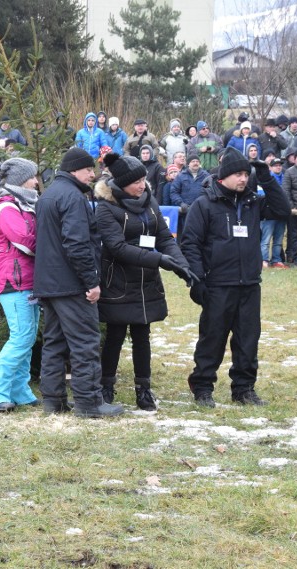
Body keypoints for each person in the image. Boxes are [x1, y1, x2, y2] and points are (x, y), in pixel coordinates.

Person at [181, 148, 291, 408]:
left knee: (247, 340)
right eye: (238, 174)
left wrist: (265, 177)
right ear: (224, 176)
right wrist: (197, 280)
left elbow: (282, 210)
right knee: (212, 338)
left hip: (249, 284)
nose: (243, 179)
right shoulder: (205, 204)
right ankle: (203, 386)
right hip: (218, 284)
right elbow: (191, 244)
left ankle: (243, 389)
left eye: (246, 174)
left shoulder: (253, 202)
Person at [94, 153, 195, 411]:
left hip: (145, 281)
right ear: (121, 183)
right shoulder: (106, 206)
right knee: (115, 335)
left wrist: (181, 265)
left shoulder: (150, 202)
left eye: (143, 179)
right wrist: (160, 260)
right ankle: (106, 386)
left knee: (143, 335)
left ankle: (144, 389)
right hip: (117, 280)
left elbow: (164, 237)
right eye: (136, 181)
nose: (142, 185)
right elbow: (116, 247)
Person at [33, 147, 124, 418]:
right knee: (85, 342)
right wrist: (91, 281)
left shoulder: (48, 195)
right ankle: (89, 402)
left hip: (49, 283)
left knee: (54, 343)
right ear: (75, 170)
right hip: (71, 284)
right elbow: (77, 243)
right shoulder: (73, 197)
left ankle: (54, 400)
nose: (92, 175)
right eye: (88, 170)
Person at [0, 158, 41, 412]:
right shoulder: (6, 208)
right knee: (21, 337)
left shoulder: (23, 205)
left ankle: (19, 389)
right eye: (32, 177)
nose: (37, 181)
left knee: (28, 337)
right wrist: (51, 249)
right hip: (14, 282)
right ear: (20, 180)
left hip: (29, 280)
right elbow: (25, 241)